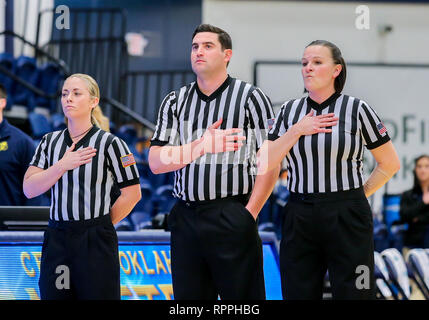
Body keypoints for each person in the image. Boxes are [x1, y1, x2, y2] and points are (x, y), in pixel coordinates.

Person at [149, 24, 335, 300]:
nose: (199, 51)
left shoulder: (251, 98)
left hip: (232, 212)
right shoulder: (174, 101)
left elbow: (269, 161)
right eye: (195, 46)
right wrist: (201, 146)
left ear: (227, 55)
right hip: (185, 217)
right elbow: (156, 161)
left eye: (208, 46)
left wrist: (250, 213)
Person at [255, 40, 400, 300]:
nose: (308, 68)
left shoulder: (358, 109)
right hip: (299, 214)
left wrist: (358, 196)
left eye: (317, 62)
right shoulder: (289, 111)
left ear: (336, 70)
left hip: (348, 214)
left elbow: (390, 164)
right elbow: (264, 161)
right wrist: (297, 130)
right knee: (297, 293)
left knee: (357, 292)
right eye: (304, 63)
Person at [23, 73, 141, 300]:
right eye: (65, 93)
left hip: (95, 240)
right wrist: (61, 166)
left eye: (77, 94)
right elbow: (29, 189)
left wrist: (101, 225)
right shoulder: (49, 142)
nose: (68, 98)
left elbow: (132, 194)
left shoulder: (111, 144)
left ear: (93, 101)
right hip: (58, 240)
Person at [0, 83, 46, 206]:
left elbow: (34, 193)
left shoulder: (22, 143)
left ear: (2, 103)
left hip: (7, 223)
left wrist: (26, 225)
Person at [399, 155, 429, 249]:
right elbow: (404, 215)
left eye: (427, 166)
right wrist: (423, 203)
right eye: (419, 166)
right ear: (415, 170)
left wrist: (417, 218)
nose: (423, 170)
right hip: (412, 244)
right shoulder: (408, 194)